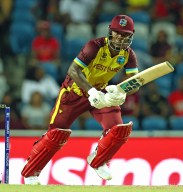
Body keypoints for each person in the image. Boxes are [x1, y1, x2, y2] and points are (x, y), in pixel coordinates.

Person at [21, 14, 139, 184]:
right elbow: (73, 71)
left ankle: (99, 160)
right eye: (117, 33)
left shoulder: (129, 54)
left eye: (125, 34)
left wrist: (122, 92)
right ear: (110, 32)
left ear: (131, 35)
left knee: (119, 130)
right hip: (74, 92)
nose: (120, 37)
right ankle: (31, 172)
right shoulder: (95, 46)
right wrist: (91, 92)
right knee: (56, 135)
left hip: (100, 93)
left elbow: (134, 81)